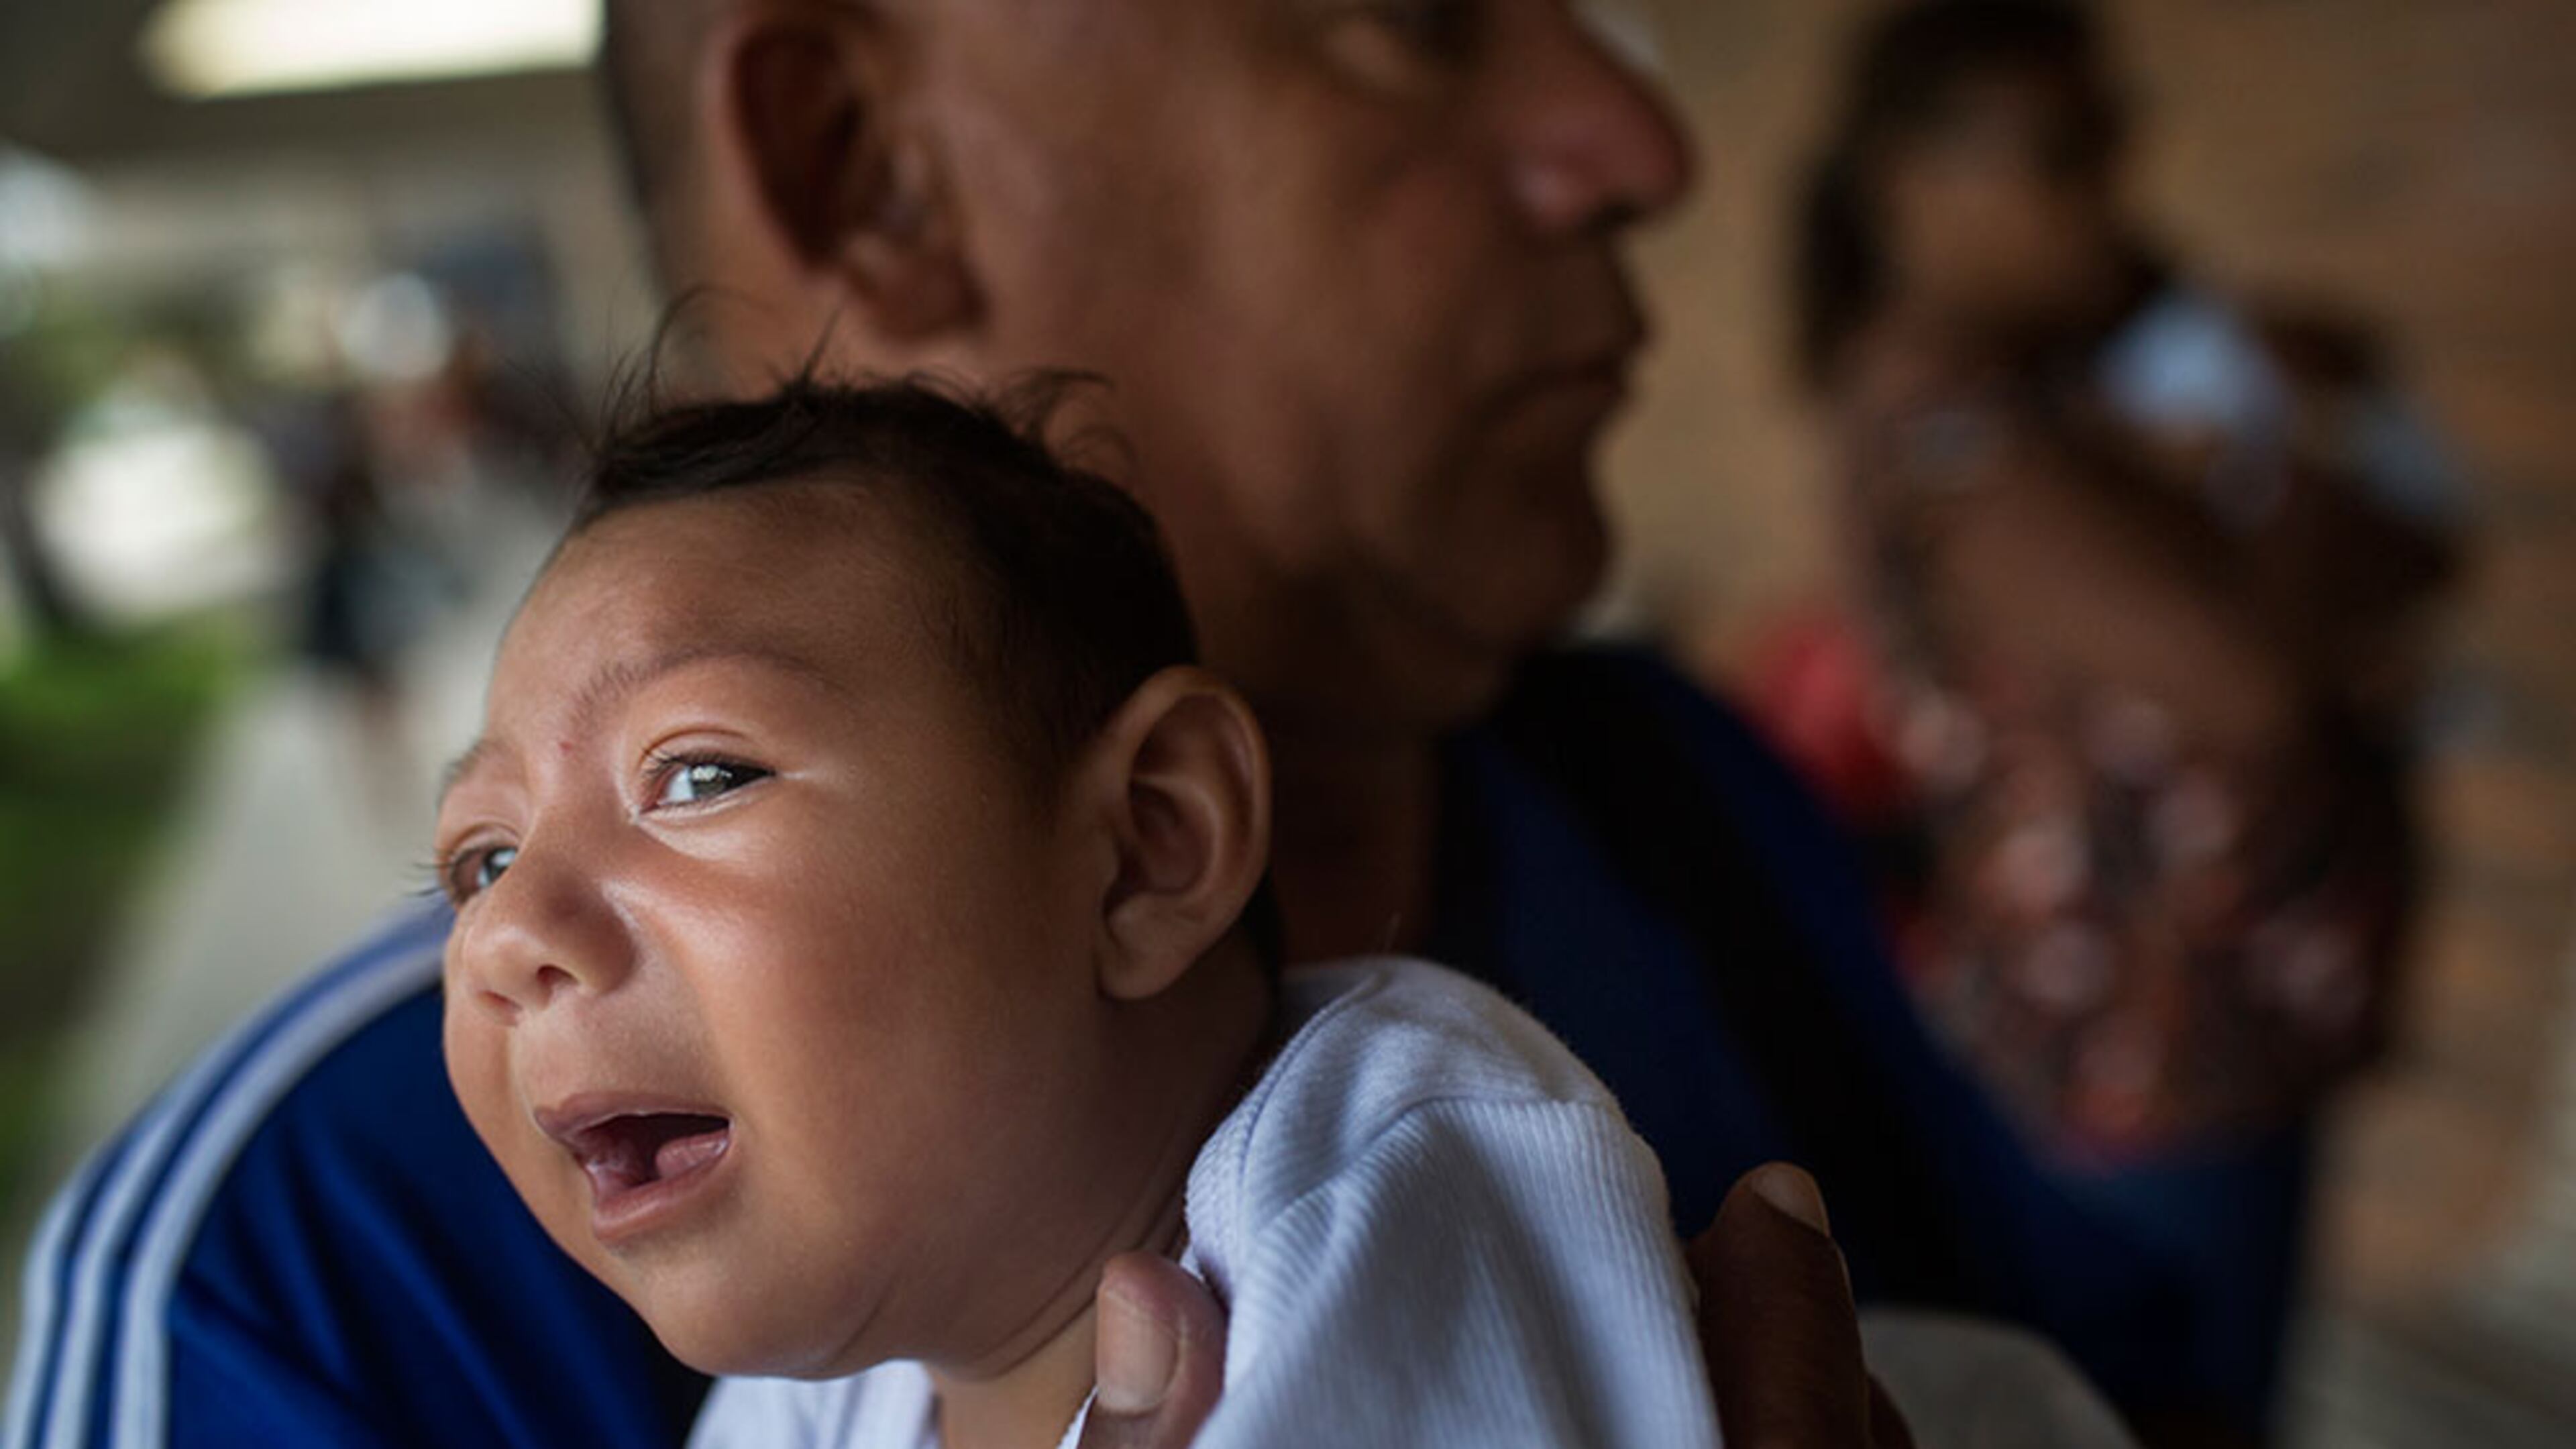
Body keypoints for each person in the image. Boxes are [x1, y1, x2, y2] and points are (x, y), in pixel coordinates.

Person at [9, 3, 2171, 1446]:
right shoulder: (281, 1298)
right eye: (1414, 5)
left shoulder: (1637, 855)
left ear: (1153, 841)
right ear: (871, 165)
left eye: (701, 776)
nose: (1632, 136)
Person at [439, 374, 1721, 1448]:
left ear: (1150, 844)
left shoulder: (1385, 1167)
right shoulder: (811, 1403)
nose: (507, 932)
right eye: (480, 859)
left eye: (702, 775)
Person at [1768, 1, 2464, 1438]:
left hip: (2213, 1055)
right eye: (2063, 151)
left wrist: (2272, 450)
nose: (2109, 191)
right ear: (1914, 182)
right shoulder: (1954, 429)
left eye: (2115, 138)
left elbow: (2423, 559)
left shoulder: (2073, 390)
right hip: (2139, 1088)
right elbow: (2253, 682)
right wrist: (2300, 463)